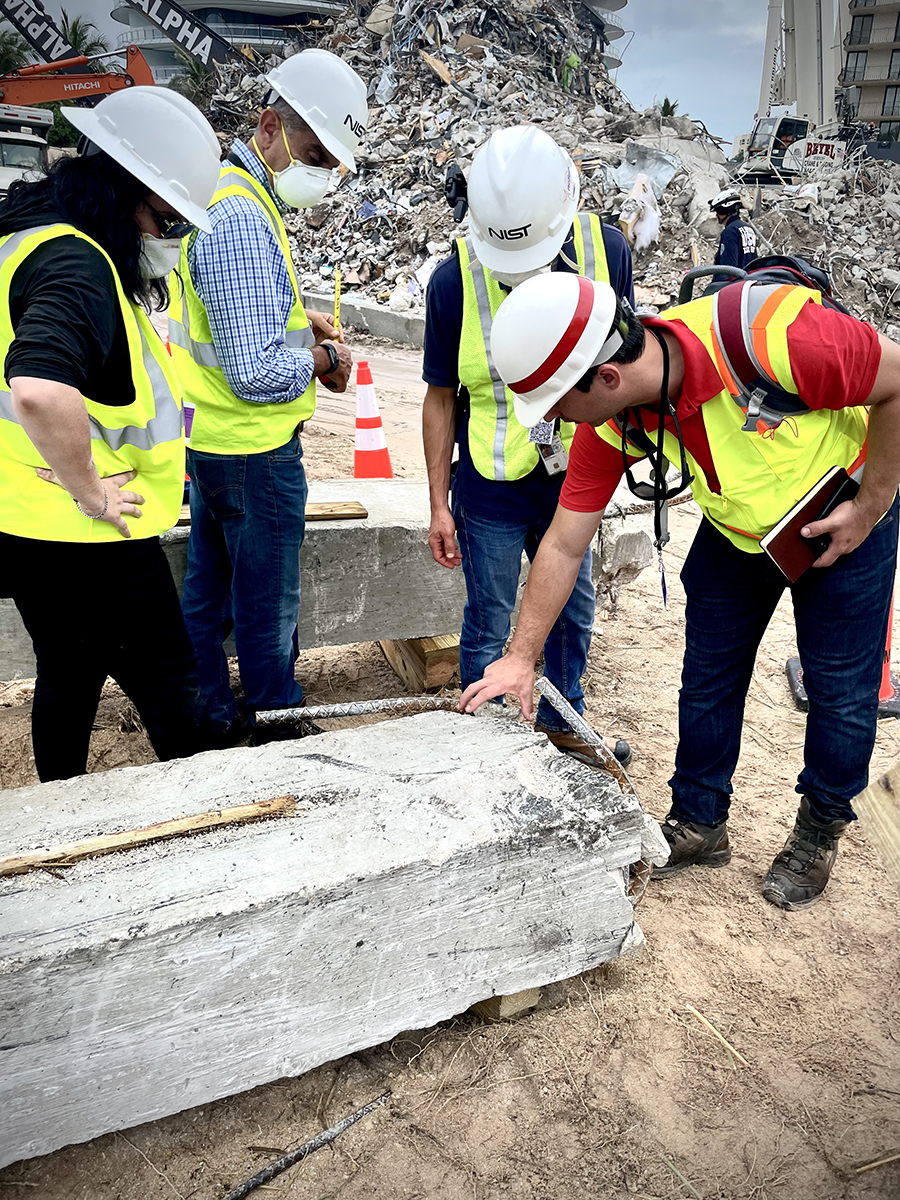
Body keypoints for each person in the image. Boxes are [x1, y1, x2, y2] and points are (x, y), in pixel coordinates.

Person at [459, 271, 900, 910]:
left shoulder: (775, 335)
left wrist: (870, 506)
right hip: (738, 527)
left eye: (556, 403)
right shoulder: (614, 418)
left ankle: (820, 828)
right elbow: (562, 541)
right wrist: (521, 658)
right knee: (708, 678)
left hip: (842, 521)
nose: (553, 421)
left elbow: (897, 379)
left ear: (605, 377)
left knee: (840, 691)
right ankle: (700, 821)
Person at [0, 87, 222, 782]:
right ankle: (212, 825)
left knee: (68, 670)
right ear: (124, 192)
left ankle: (58, 805)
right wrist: (90, 490)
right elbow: (37, 387)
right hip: (89, 535)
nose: (170, 239)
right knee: (170, 687)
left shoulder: (25, 231)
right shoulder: (77, 265)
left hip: (27, 520)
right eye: (168, 221)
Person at [169, 48, 365, 744]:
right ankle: (275, 720)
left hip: (216, 443)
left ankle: (211, 717)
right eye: (314, 153)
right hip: (255, 452)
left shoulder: (234, 196)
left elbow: (236, 328)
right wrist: (324, 356)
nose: (322, 173)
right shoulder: (243, 216)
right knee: (266, 604)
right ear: (269, 125)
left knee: (210, 594)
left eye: (330, 163)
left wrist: (298, 320)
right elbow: (254, 372)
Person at [422, 125, 635, 768]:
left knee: (574, 609)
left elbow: (623, 366)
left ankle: (562, 720)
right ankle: (485, 742)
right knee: (490, 614)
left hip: (576, 473)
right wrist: (438, 502)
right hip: (489, 481)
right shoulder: (453, 281)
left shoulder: (609, 251)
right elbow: (439, 397)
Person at [709, 188, 757, 273]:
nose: (716, 216)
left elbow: (727, 268)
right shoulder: (748, 229)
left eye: (719, 211)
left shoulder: (730, 232)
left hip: (735, 283)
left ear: (727, 210)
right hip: (749, 281)